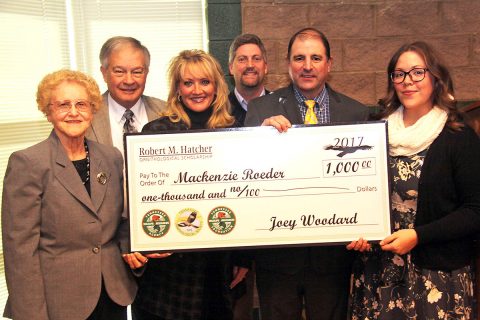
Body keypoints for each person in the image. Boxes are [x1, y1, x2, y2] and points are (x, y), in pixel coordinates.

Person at [349, 41, 480, 319]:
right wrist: (357, 232)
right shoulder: (374, 133)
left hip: (437, 276)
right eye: (399, 74)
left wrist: (418, 236)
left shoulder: (457, 135)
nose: (408, 81)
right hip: (380, 272)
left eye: (417, 72)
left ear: (436, 78)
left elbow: (474, 211)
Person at [244, 28, 369, 320]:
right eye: (299, 58)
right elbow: (249, 180)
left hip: (333, 257)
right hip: (277, 256)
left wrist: (368, 228)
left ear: (329, 64)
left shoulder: (356, 114)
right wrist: (258, 139)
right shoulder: (260, 110)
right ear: (288, 64)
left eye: (316, 58)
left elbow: (364, 183)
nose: (307, 66)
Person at [1, 69, 137, 320]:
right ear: (48, 111)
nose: (73, 112)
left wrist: (134, 246)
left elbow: (119, 222)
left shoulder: (111, 158)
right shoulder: (28, 163)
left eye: (81, 104)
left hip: (112, 294)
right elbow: (20, 252)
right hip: (59, 301)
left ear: (92, 109)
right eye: (63, 104)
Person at [125, 49, 249, 320]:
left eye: (205, 82)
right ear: (177, 89)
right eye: (188, 83)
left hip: (218, 268)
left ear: (216, 87)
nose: (197, 90)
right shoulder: (156, 134)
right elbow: (143, 200)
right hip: (170, 276)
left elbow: (244, 198)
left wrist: (242, 257)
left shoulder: (234, 132)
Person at [86, 36, 165, 157]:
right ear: (104, 73)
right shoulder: (85, 116)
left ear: (146, 73)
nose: (129, 81)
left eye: (137, 72)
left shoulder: (168, 112)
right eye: (119, 71)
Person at [228, 33, 269, 126]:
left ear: (265, 67)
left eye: (256, 59)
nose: (250, 65)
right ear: (231, 68)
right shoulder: (219, 111)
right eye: (242, 59)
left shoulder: (281, 107)